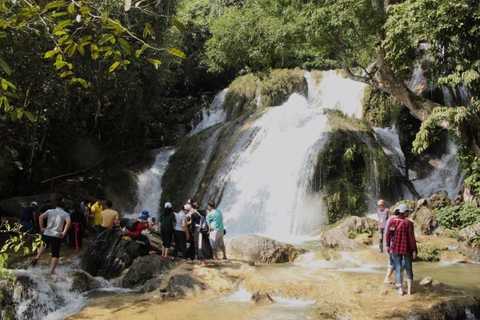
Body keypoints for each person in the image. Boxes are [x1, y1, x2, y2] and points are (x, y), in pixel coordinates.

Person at [30, 201, 71, 274]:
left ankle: (36, 258)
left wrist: (42, 227)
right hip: (56, 235)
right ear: (64, 208)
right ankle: (52, 270)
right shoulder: (66, 214)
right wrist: (64, 233)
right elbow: (68, 223)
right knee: (55, 253)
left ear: (56, 206)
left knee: (43, 246)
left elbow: (40, 217)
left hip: (47, 233)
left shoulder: (50, 211)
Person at [386, 203, 417, 296]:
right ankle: (409, 291)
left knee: (398, 268)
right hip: (407, 249)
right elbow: (412, 238)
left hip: (395, 248)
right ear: (404, 212)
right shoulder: (409, 223)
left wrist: (388, 245)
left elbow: (389, 233)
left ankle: (400, 290)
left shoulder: (393, 222)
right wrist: (415, 250)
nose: (408, 213)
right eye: (407, 211)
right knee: (409, 268)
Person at [382, 207, 404, 284]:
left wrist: (387, 245)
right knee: (397, 262)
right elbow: (390, 233)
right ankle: (389, 279)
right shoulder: (393, 221)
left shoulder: (390, 220)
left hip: (393, 245)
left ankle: (399, 280)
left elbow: (388, 233)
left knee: (395, 262)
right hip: (396, 245)